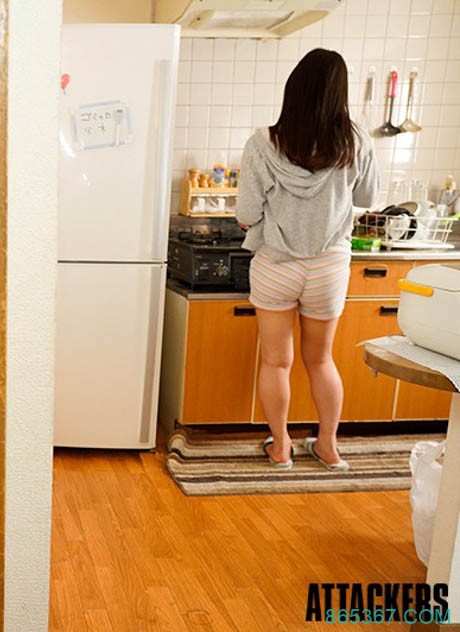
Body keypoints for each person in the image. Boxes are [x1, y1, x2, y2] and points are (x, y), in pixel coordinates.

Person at [236, 48, 379, 471]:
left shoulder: (263, 142)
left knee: (276, 362)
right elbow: (367, 198)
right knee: (321, 359)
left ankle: (281, 448)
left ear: (293, 89)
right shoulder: (357, 142)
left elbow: (247, 214)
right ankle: (328, 447)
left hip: (276, 265)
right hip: (328, 266)